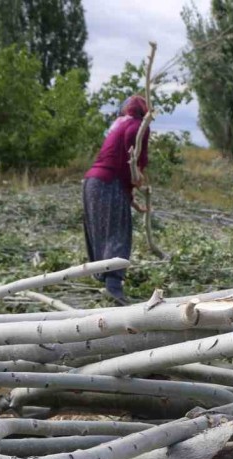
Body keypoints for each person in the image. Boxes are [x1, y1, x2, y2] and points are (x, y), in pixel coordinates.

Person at [82, 95, 151, 305]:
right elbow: (130, 163)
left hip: (92, 183)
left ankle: (103, 278)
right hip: (108, 183)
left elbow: (121, 162)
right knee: (118, 233)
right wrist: (137, 176)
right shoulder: (138, 126)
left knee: (100, 232)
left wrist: (131, 198)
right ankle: (113, 287)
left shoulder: (118, 124)